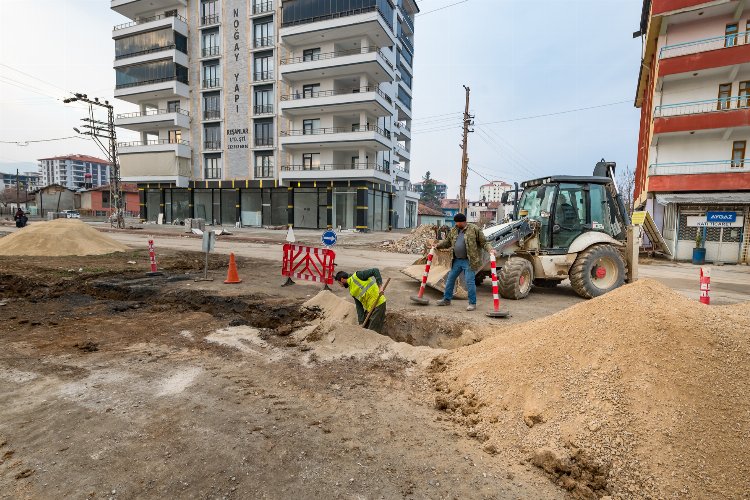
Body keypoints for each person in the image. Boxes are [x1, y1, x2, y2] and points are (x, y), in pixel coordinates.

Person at [432, 213, 495, 311]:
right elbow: (447, 242)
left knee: (469, 282)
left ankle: (472, 303)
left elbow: (484, 243)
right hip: (456, 260)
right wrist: (437, 245)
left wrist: (490, 249)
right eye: (455, 222)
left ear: (463, 221)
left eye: (457, 222)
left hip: (469, 261)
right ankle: (446, 299)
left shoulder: (474, 229)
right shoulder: (454, 230)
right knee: (450, 279)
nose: (456, 224)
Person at [335, 268, 387, 333]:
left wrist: (380, 286)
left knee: (371, 331)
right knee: (364, 329)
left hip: (379, 303)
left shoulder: (358, 276)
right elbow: (359, 306)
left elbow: (375, 271)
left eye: (339, 283)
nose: (341, 286)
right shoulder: (351, 290)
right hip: (370, 308)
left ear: (342, 279)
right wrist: (361, 322)